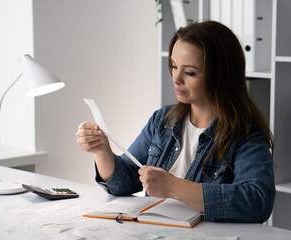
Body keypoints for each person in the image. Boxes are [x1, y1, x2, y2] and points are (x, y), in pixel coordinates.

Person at [76, 21, 275, 223]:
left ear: (221, 76)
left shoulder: (244, 134)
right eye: (173, 66)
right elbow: (125, 181)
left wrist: (174, 187)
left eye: (189, 72)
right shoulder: (162, 121)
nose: (176, 78)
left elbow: (257, 202)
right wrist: (102, 151)